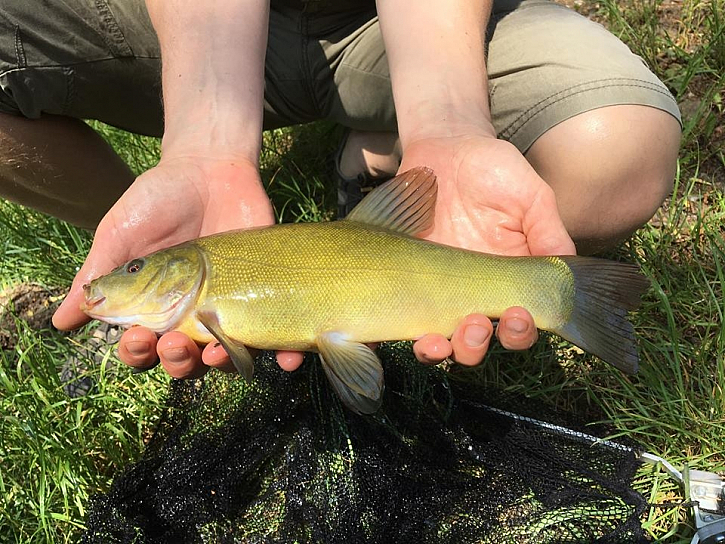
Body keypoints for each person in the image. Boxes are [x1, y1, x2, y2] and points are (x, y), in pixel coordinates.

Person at [0, 0, 681, 380]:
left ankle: (396, 146)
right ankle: (152, 205)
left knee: (618, 154)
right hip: (189, 27)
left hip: (400, 22)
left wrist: (447, 125)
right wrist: (202, 146)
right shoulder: (197, 292)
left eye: (137, 268)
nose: (121, 282)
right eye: (136, 268)